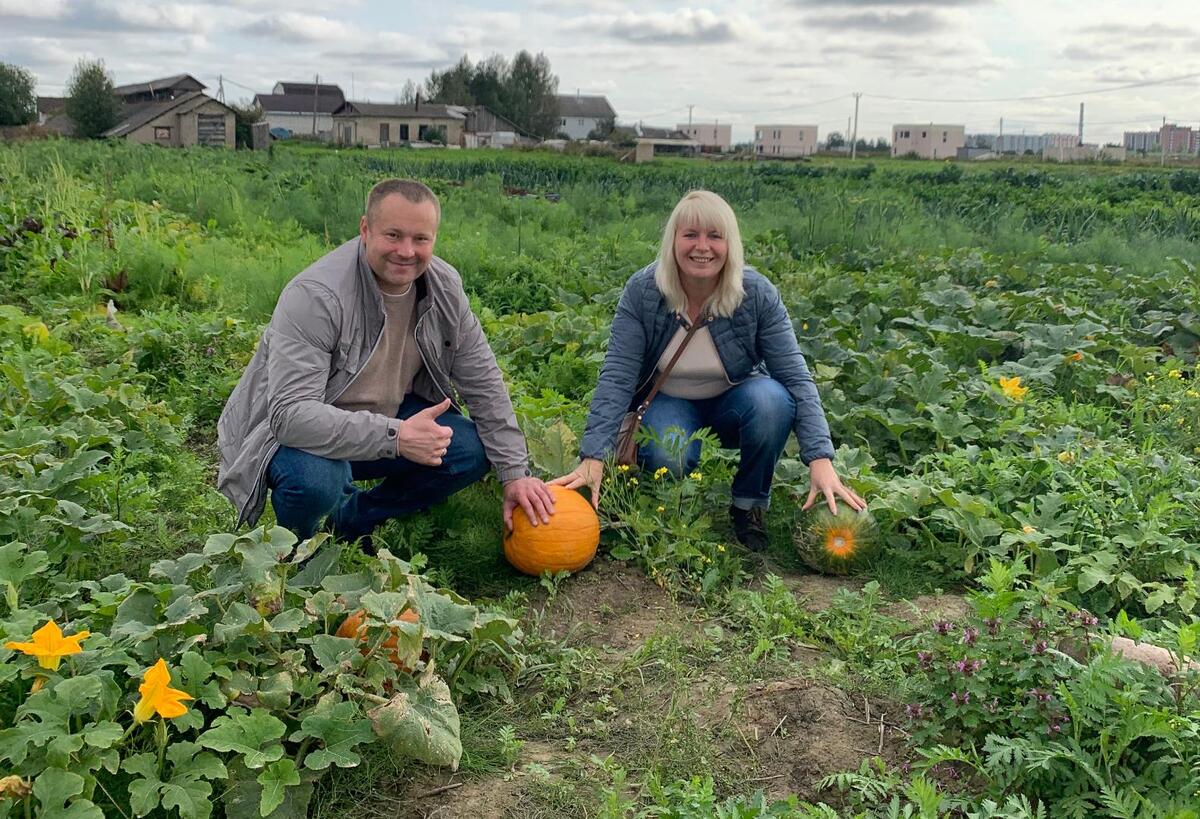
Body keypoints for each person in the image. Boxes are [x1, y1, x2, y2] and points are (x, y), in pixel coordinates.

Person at [217, 178, 554, 543]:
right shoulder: (316, 296)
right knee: (316, 482)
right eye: (393, 235)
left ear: (434, 239)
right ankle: (296, 551)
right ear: (366, 229)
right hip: (303, 433)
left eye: (420, 239)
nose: (406, 251)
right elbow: (290, 416)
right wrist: (396, 437)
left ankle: (352, 521)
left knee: (469, 448)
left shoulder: (444, 288)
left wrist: (515, 473)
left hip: (387, 417)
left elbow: (483, 379)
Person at [552, 190, 864, 551]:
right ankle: (673, 508)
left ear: (730, 244)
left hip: (735, 399)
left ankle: (749, 505)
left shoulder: (756, 294)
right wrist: (593, 456)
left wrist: (820, 458)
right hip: (668, 400)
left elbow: (795, 376)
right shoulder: (643, 292)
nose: (703, 247)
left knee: (773, 402)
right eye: (691, 235)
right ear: (673, 242)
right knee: (671, 451)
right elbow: (618, 374)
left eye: (715, 236)